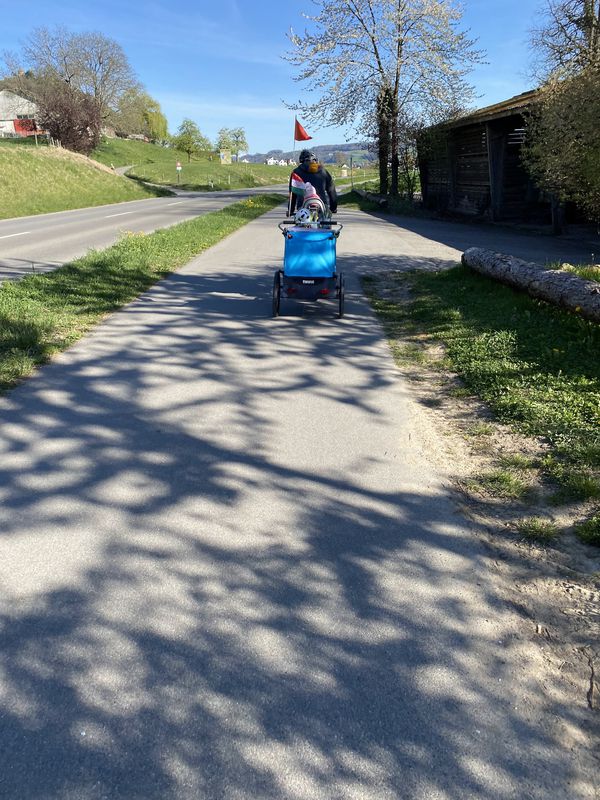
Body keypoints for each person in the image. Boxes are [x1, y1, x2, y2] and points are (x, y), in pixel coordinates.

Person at [288, 150, 337, 218]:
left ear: (301, 160)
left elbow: (292, 193)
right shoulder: (324, 172)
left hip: (303, 207)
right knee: (326, 223)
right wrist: (333, 208)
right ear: (316, 160)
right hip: (322, 206)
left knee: (301, 224)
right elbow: (332, 191)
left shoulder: (296, 172)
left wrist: (290, 210)